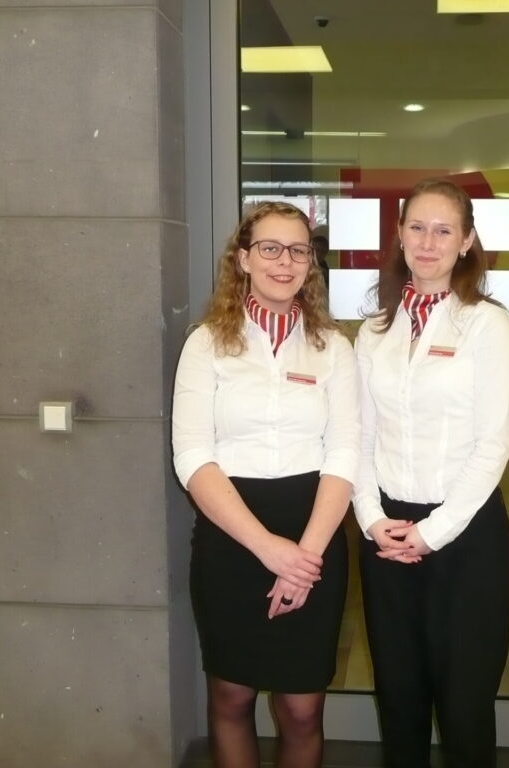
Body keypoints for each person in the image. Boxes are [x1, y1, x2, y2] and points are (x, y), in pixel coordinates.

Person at [172, 201, 358, 767]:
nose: (285, 261)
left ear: (310, 263)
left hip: (313, 534)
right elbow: (193, 457)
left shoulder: (334, 349)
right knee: (232, 696)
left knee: (301, 709)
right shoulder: (206, 344)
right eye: (270, 248)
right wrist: (268, 549)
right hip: (231, 536)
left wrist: (302, 558)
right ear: (244, 259)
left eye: (298, 250)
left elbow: (344, 455)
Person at [353, 178, 509, 768]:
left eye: (444, 230)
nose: (428, 243)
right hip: (387, 534)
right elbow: (361, 437)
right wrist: (372, 518)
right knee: (398, 698)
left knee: (464, 707)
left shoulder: (486, 325)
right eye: (418, 228)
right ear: (400, 235)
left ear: (467, 241)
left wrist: (432, 532)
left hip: (465, 535)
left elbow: (492, 446)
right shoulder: (375, 330)